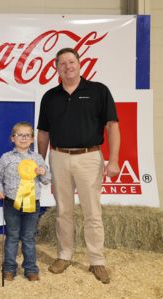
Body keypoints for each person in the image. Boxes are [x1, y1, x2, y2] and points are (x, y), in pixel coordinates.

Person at [37, 47, 120, 284]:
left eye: (71, 61)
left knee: (92, 211)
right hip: (59, 157)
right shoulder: (50, 97)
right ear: (56, 68)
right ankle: (64, 255)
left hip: (89, 156)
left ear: (80, 64)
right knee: (63, 210)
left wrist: (112, 160)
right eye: (62, 63)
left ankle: (97, 260)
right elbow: (43, 133)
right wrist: (39, 162)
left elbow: (112, 126)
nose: (67, 66)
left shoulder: (98, 91)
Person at [0, 121, 50, 281]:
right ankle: (9, 268)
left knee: (29, 237)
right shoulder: (6, 158)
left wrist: (43, 172)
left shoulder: (38, 158)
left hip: (32, 204)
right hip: (11, 203)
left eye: (27, 135)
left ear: (32, 139)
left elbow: (46, 180)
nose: (23, 138)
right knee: (12, 236)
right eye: (19, 135)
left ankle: (30, 268)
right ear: (12, 138)